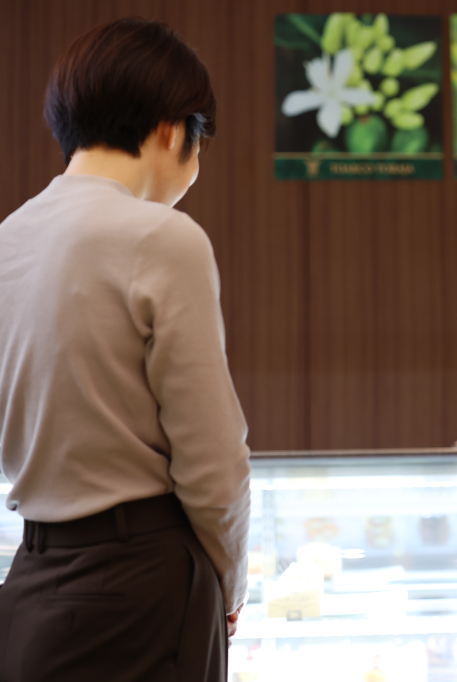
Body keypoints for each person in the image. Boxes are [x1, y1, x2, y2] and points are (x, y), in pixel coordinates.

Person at [0, 18, 249, 681]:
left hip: (30, 578)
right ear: (172, 130)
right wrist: (231, 577)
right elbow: (212, 459)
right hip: (142, 582)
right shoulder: (163, 237)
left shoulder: (9, 238)